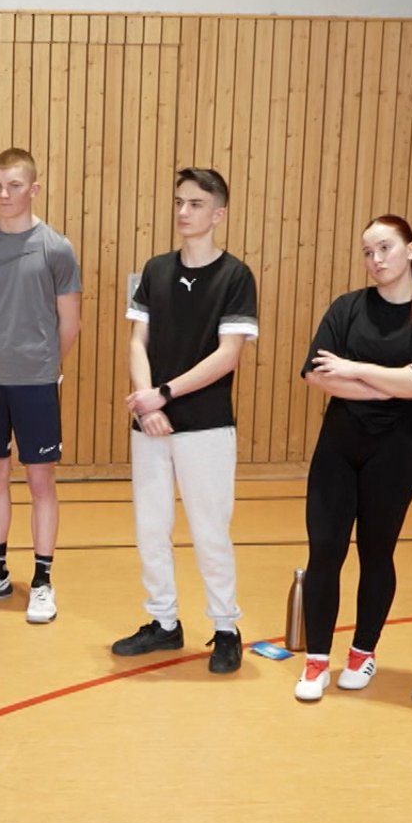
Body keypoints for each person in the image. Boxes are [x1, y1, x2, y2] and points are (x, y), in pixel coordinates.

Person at [295, 215, 412, 701]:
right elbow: (317, 375)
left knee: (376, 553)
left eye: (384, 248)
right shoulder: (346, 309)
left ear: (410, 249)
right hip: (338, 447)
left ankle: (363, 653)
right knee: (325, 551)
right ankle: (316, 660)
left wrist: (356, 370)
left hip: (395, 453)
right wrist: (391, 382)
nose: (376, 260)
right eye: (368, 252)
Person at [111, 167, 259, 674]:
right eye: (178, 202)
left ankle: (224, 628)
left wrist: (164, 395)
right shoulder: (154, 271)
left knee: (209, 530)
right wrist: (148, 404)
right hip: (150, 423)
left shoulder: (236, 277)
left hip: (206, 425)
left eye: (195, 204)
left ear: (218, 214)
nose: (182, 212)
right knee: (151, 528)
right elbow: (137, 342)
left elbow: (227, 355)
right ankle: (163, 623)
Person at [0, 148, 83, 624]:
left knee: (41, 480)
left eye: (15, 186)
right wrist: (1, 355)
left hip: (35, 383)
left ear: (34, 189)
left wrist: (44, 365)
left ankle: (43, 581)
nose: (4, 195)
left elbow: (70, 322)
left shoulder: (56, 248)